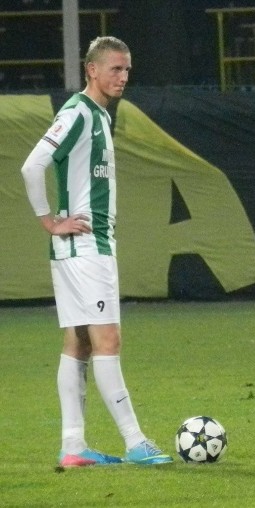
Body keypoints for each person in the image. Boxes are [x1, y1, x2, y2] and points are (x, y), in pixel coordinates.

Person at [20, 36, 172, 467]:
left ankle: (73, 446)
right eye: (115, 69)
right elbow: (32, 166)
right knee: (108, 339)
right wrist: (49, 219)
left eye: (127, 69)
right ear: (92, 69)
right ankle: (135, 441)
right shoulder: (79, 112)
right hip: (87, 245)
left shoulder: (100, 116)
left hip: (79, 248)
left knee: (79, 342)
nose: (123, 77)